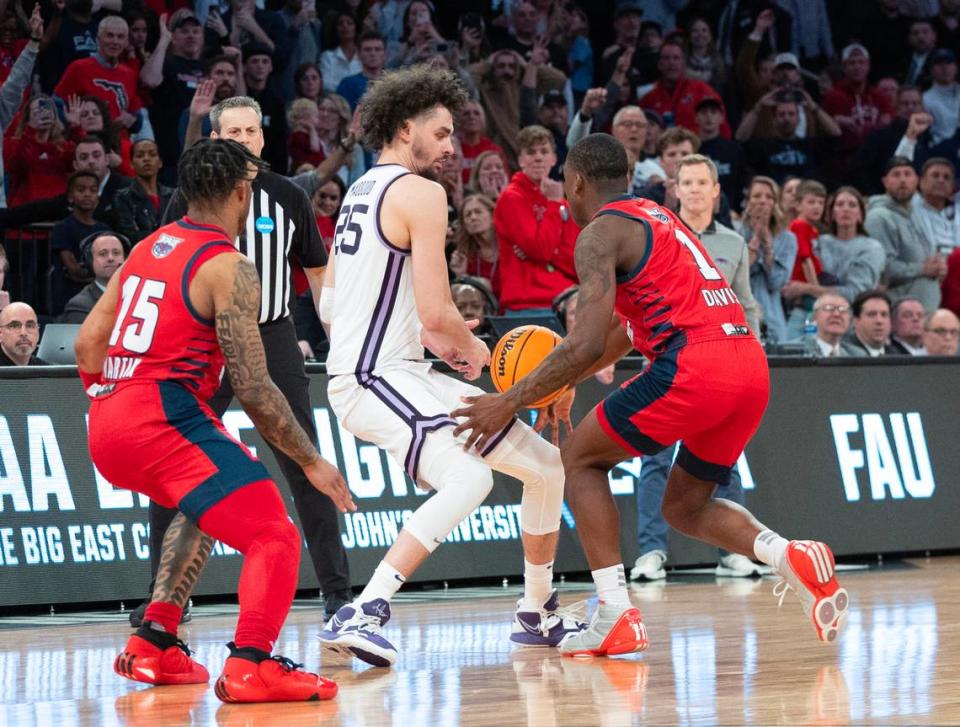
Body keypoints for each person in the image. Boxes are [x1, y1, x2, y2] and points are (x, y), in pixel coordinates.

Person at [453, 133, 849, 656]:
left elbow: (586, 340)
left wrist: (509, 400)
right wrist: (565, 381)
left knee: (578, 460)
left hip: (695, 364)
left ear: (575, 182)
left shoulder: (598, 234)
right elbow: (620, 330)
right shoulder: (662, 218)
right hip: (748, 366)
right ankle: (788, 554)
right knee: (685, 507)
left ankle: (616, 614)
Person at [319, 65, 582, 667]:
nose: (448, 148)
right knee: (471, 480)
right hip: (376, 376)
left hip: (387, 370)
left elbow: (332, 306)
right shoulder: (422, 193)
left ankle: (536, 611)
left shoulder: (360, 193)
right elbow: (440, 314)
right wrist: (485, 357)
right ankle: (364, 609)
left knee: (545, 465)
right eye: (439, 134)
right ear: (404, 127)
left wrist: (429, 357)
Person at [77, 138, 352, 702]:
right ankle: (253, 663)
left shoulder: (149, 245)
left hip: (107, 419)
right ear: (241, 191)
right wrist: (311, 461)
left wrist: (114, 399)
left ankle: (154, 640)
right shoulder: (229, 265)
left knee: (201, 502)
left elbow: (87, 344)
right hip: (164, 416)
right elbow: (253, 387)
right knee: (273, 533)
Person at [136, 95, 355, 626]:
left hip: (271, 333)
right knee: (176, 462)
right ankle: (163, 599)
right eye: (231, 131)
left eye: (250, 130)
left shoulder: (287, 195)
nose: (242, 139)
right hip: (201, 338)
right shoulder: (192, 197)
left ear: (262, 136)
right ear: (215, 138)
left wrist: (340, 339)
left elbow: (319, 275)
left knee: (303, 456)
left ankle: (338, 592)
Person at [630, 154, 766, 583]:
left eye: (699, 182)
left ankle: (733, 552)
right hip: (667, 360)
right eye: (684, 182)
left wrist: (753, 350)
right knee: (654, 458)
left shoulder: (734, 243)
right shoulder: (660, 233)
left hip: (722, 362)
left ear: (715, 190)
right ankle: (652, 550)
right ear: (675, 189)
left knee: (724, 460)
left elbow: (745, 303)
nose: (691, 189)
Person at [494, 124, 579, 314]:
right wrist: (554, 205)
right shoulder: (512, 197)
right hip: (526, 304)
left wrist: (548, 253)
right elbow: (540, 250)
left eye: (544, 151)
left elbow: (576, 261)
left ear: (554, 159)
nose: (538, 157)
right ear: (521, 160)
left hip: (565, 300)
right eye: (531, 152)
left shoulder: (561, 201)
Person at [781, 186, 886, 310]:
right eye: (840, 205)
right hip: (815, 314)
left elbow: (856, 294)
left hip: (853, 317)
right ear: (831, 214)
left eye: (852, 205)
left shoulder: (871, 248)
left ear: (861, 215)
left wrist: (807, 289)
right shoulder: (819, 242)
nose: (845, 209)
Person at [865, 156, 945, 311]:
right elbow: (883, 268)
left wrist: (939, 268)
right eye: (896, 174)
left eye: (907, 174)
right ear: (885, 181)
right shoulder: (878, 217)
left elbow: (927, 259)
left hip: (924, 309)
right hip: (899, 310)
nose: (903, 180)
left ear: (916, 180)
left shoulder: (916, 214)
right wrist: (922, 269)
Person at [50, 171, 110, 314]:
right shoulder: (63, 228)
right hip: (69, 300)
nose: (87, 194)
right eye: (81, 189)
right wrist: (99, 273)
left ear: (98, 197)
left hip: (100, 301)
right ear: (70, 196)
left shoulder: (104, 229)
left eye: (93, 190)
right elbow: (75, 270)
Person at [114, 139, 176, 244]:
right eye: (140, 156)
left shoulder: (173, 196)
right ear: (131, 164)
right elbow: (129, 235)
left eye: (152, 154)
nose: (146, 159)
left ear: (160, 163)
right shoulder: (123, 198)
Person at [61, 232, 127, 323]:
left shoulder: (139, 295)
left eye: (116, 253)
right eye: (103, 254)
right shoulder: (80, 306)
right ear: (90, 261)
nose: (111, 258)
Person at [797, 292, 859, 357]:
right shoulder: (795, 352)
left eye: (843, 310)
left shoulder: (857, 354)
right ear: (815, 317)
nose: (837, 314)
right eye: (829, 308)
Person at [845, 290, 897, 356]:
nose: (879, 321)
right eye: (872, 314)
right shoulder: (843, 354)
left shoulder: (899, 356)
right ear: (855, 321)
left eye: (884, 315)